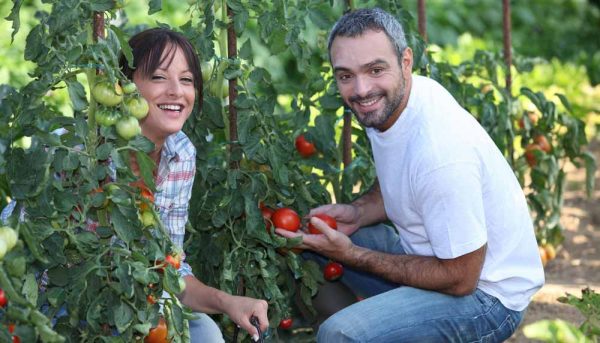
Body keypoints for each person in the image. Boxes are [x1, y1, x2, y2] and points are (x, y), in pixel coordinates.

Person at [276, 8, 544, 342]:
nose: (361, 89)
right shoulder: (399, 101)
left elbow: (461, 279)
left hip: (487, 297)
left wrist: (352, 255)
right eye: (345, 76)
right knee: (311, 244)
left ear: (406, 61)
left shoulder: (440, 154)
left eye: (375, 69)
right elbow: (398, 174)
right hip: (436, 260)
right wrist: (359, 212)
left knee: (341, 335)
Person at [118, 28, 269, 342]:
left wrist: (228, 302)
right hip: (69, 298)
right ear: (126, 86)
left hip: (143, 297)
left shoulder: (181, 153)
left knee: (206, 336)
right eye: (159, 77)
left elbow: (169, 265)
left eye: (186, 80)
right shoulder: (89, 151)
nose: (176, 91)